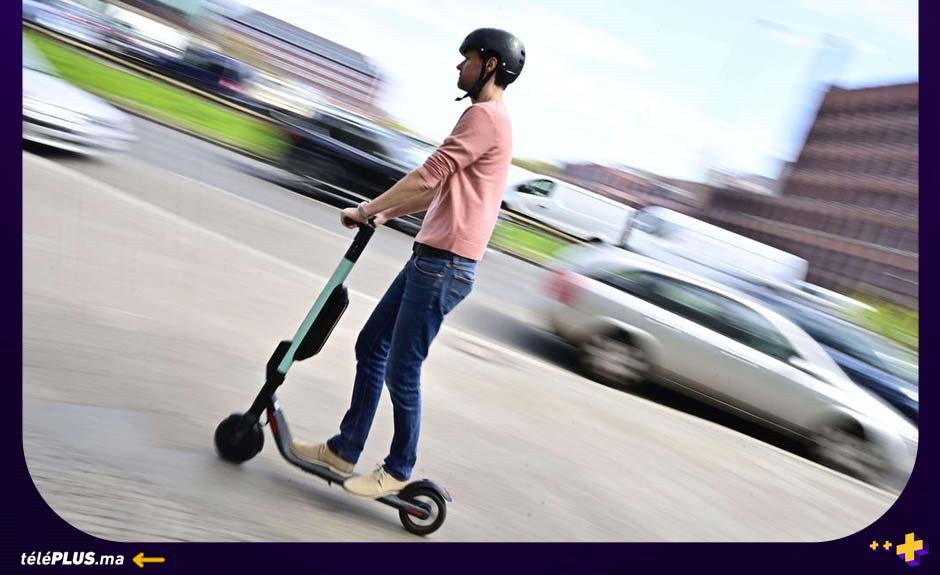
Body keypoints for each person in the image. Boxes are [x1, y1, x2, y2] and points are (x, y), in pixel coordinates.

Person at [291, 28, 526, 497]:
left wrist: (366, 208)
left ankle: (398, 468)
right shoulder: (489, 119)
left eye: (467, 58)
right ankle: (344, 449)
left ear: (490, 64)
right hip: (431, 259)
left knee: (402, 367)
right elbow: (439, 189)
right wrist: (383, 214)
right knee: (371, 345)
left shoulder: (484, 117)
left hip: (444, 265)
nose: (459, 66)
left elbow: (426, 177)